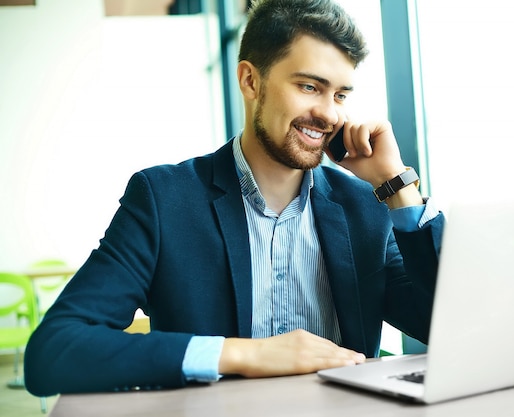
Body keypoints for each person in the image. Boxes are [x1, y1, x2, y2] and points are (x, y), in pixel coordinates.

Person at [24, 0, 445, 396]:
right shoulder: (163, 200)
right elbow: (55, 351)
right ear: (250, 80)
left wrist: (396, 184)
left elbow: (445, 328)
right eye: (309, 86)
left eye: (339, 95)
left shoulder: (363, 206)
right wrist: (246, 354)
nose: (331, 114)